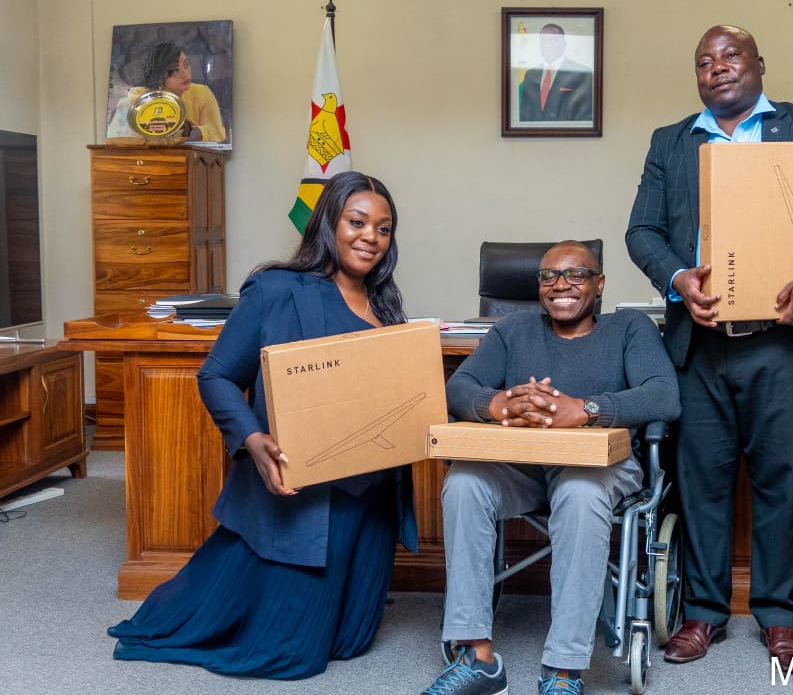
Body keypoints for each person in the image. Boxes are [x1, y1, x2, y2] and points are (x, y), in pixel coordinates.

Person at [625, 25, 793, 673]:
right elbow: (641, 231)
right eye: (704, 61)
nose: (717, 68)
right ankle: (704, 614)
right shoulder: (672, 142)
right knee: (700, 484)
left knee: (783, 483)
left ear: (759, 64)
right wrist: (678, 279)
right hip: (703, 347)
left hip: (786, 343)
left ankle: (777, 617)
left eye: (730, 56)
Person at [108, 171, 416, 679]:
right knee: (293, 655)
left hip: (373, 493)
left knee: (352, 641)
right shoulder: (277, 289)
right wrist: (253, 440)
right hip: (313, 492)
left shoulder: (386, 304)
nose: (371, 238)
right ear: (328, 225)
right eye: (357, 222)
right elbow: (218, 376)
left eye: (384, 229)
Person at [420, 240, 680, 695]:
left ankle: (562, 670)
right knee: (463, 481)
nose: (560, 285)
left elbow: (663, 396)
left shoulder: (630, 328)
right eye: (548, 276)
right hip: (523, 468)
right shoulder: (513, 330)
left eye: (576, 274)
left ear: (599, 284)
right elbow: (458, 388)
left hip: (601, 470)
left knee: (578, 492)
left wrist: (587, 408)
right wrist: (496, 402)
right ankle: (478, 658)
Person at [106, 41, 227, 142]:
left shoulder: (202, 93)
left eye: (186, 65)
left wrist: (198, 132)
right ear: (159, 76)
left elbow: (218, 132)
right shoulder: (136, 100)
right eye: (175, 70)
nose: (185, 72)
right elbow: (116, 139)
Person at [519, 23, 594, 122]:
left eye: (553, 40)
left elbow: (586, 116)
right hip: (534, 136)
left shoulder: (583, 74)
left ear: (563, 44)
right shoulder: (530, 75)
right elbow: (524, 115)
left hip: (569, 135)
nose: (548, 45)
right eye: (544, 41)